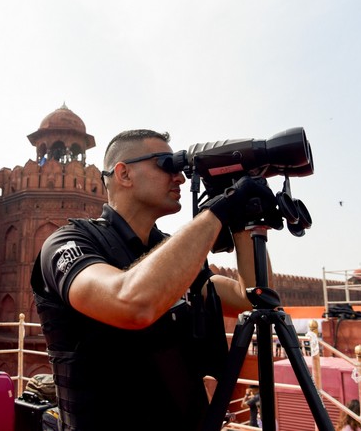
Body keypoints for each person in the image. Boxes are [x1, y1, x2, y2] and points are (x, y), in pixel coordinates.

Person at [32, 129, 281, 430]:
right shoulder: (69, 242)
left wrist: (243, 220)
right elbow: (131, 302)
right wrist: (219, 209)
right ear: (123, 174)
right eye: (167, 165)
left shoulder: (168, 253)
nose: (180, 178)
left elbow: (249, 295)